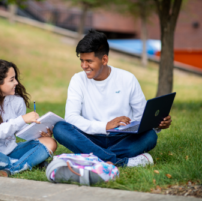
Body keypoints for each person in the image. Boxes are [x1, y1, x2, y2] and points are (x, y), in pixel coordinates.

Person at [53, 30, 172, 167]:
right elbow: (71, 118)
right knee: (60, 128)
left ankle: (91, 157)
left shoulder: (127, 79)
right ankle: (121, 162)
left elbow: (142, 118)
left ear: (104, 59)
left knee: (150, 136)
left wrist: (157, 124)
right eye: (82, 61)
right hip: (90, 137)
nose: (84, 66)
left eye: (89, 61)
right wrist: (105, 126)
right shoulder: (77, 80)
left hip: (122, 138)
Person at [0, 59, 57, 176]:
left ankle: (11, 169)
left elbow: (20, 130)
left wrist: (40, 132)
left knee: (50, 142)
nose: (16, 83)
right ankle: (28, 162)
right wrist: (22, 119)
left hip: (11, 151)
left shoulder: (16, 100)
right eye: (12, 80)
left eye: (15, 78)